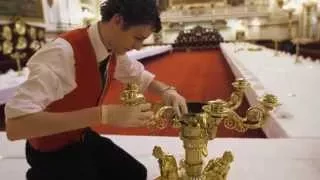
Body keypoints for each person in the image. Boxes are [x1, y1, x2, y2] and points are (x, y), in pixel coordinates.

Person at [4, 0, 188, 180]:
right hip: (49, 149)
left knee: (134, 173)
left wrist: (167, 92)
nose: (139, 46)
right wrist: (104, 114)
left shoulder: (112, 48)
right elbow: (15, 126)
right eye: (137, 38)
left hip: (80, 136)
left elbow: (141, 77)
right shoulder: (62, 53)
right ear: (117, 20)